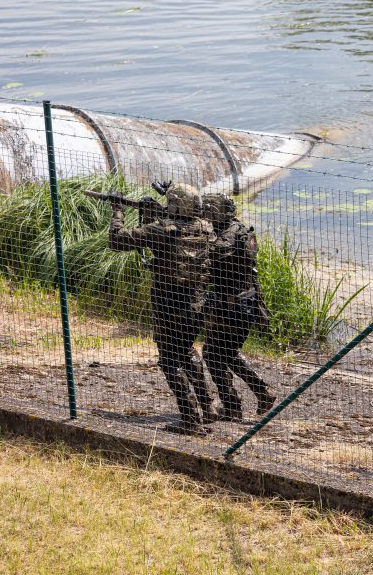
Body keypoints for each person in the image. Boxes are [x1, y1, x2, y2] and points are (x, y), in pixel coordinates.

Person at [109, 182, 218, 435]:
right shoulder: (206, 229)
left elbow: (117, 241)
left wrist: (117, 210)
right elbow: (179, 227)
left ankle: (190, 419)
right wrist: (160, 208)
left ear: (176, 206)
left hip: (168, 302)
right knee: (187, 351)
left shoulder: (162, 229)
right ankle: (207, 406)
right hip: (196, 303)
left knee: (169, 360)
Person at [201, 194, 276, 421]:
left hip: (234, 304)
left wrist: (196, 231)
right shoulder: (239, 229)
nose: (203, 215)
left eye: (206, 211)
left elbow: (214, 251)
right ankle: (261, 393)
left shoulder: (229, 236)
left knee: (213, 354)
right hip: (241, 302)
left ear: (216, 212)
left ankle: (233, 406)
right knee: (226, 353)